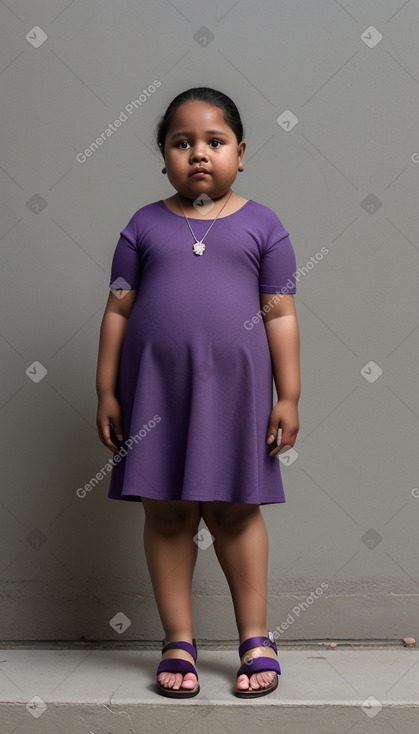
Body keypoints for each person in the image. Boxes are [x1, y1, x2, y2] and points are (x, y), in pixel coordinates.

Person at [95, 87, 300, 699]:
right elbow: (117, 311)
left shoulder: (264, 225)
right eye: (182, 143)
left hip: (236, 395)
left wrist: (288, 395)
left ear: (241, 150)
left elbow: (280, 314)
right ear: (164, 158)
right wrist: (106, 389)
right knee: (167, 512)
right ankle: (177, 640)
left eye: (215, 141)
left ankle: (255, 636)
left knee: (236, 510)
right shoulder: (143, 225)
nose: (199, 154)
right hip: (156, 394)